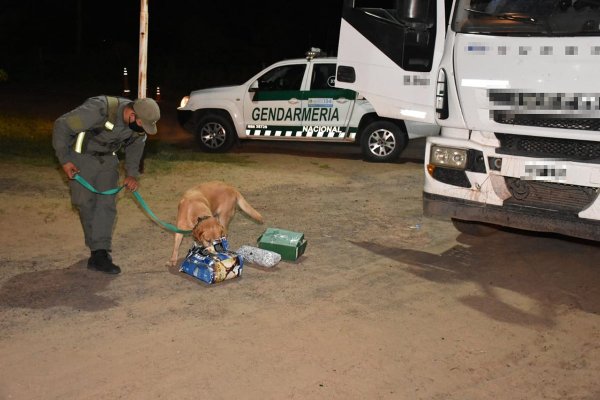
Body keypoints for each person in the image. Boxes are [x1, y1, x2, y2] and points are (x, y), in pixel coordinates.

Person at [52, 95, 160, 274]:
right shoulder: (100, 109)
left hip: (107, 161)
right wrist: (64, 160)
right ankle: (96, 247)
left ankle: (99, 254)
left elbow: (136, 145)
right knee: (85, 203)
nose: (143, 130)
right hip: (81, 158)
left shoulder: (139, 127)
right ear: (132, 115)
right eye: (142, 125)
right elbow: (61, 125)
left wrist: (132, 174)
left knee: (106, 204)